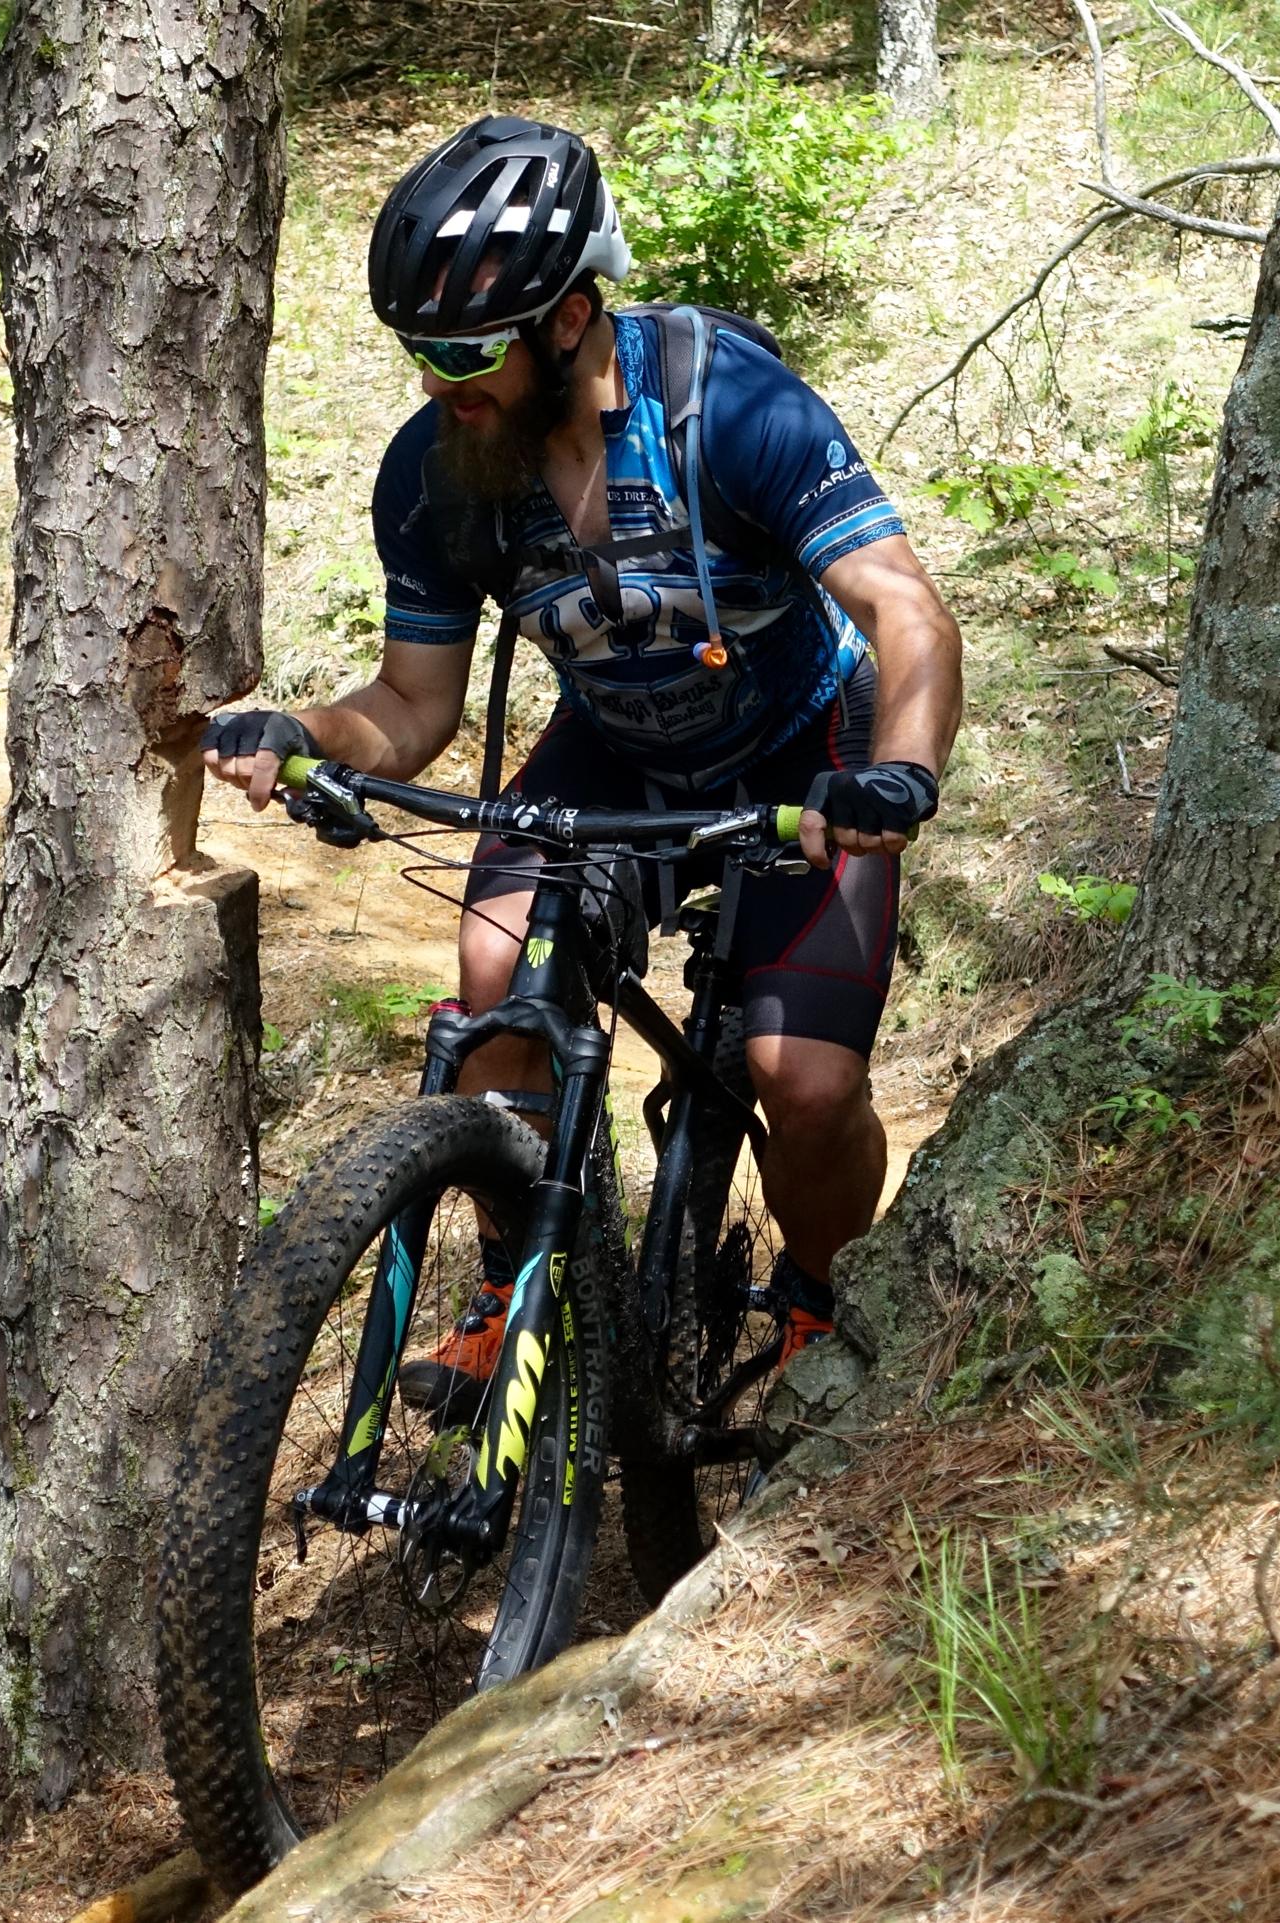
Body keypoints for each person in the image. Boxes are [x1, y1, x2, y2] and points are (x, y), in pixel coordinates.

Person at [205, 114, 962, 1414]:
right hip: (611, 754)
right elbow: (409, 701)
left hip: (802, 749)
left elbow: (908, 611)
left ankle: (823, 1308)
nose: (443, 381)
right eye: (418, 349)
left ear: (566, 321)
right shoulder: (439, 472)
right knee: (494, 989)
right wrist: (308, 739)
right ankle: (516, 1285)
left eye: (468, 349)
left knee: (808, 1082)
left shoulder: (735, 407)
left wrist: (896, 773)